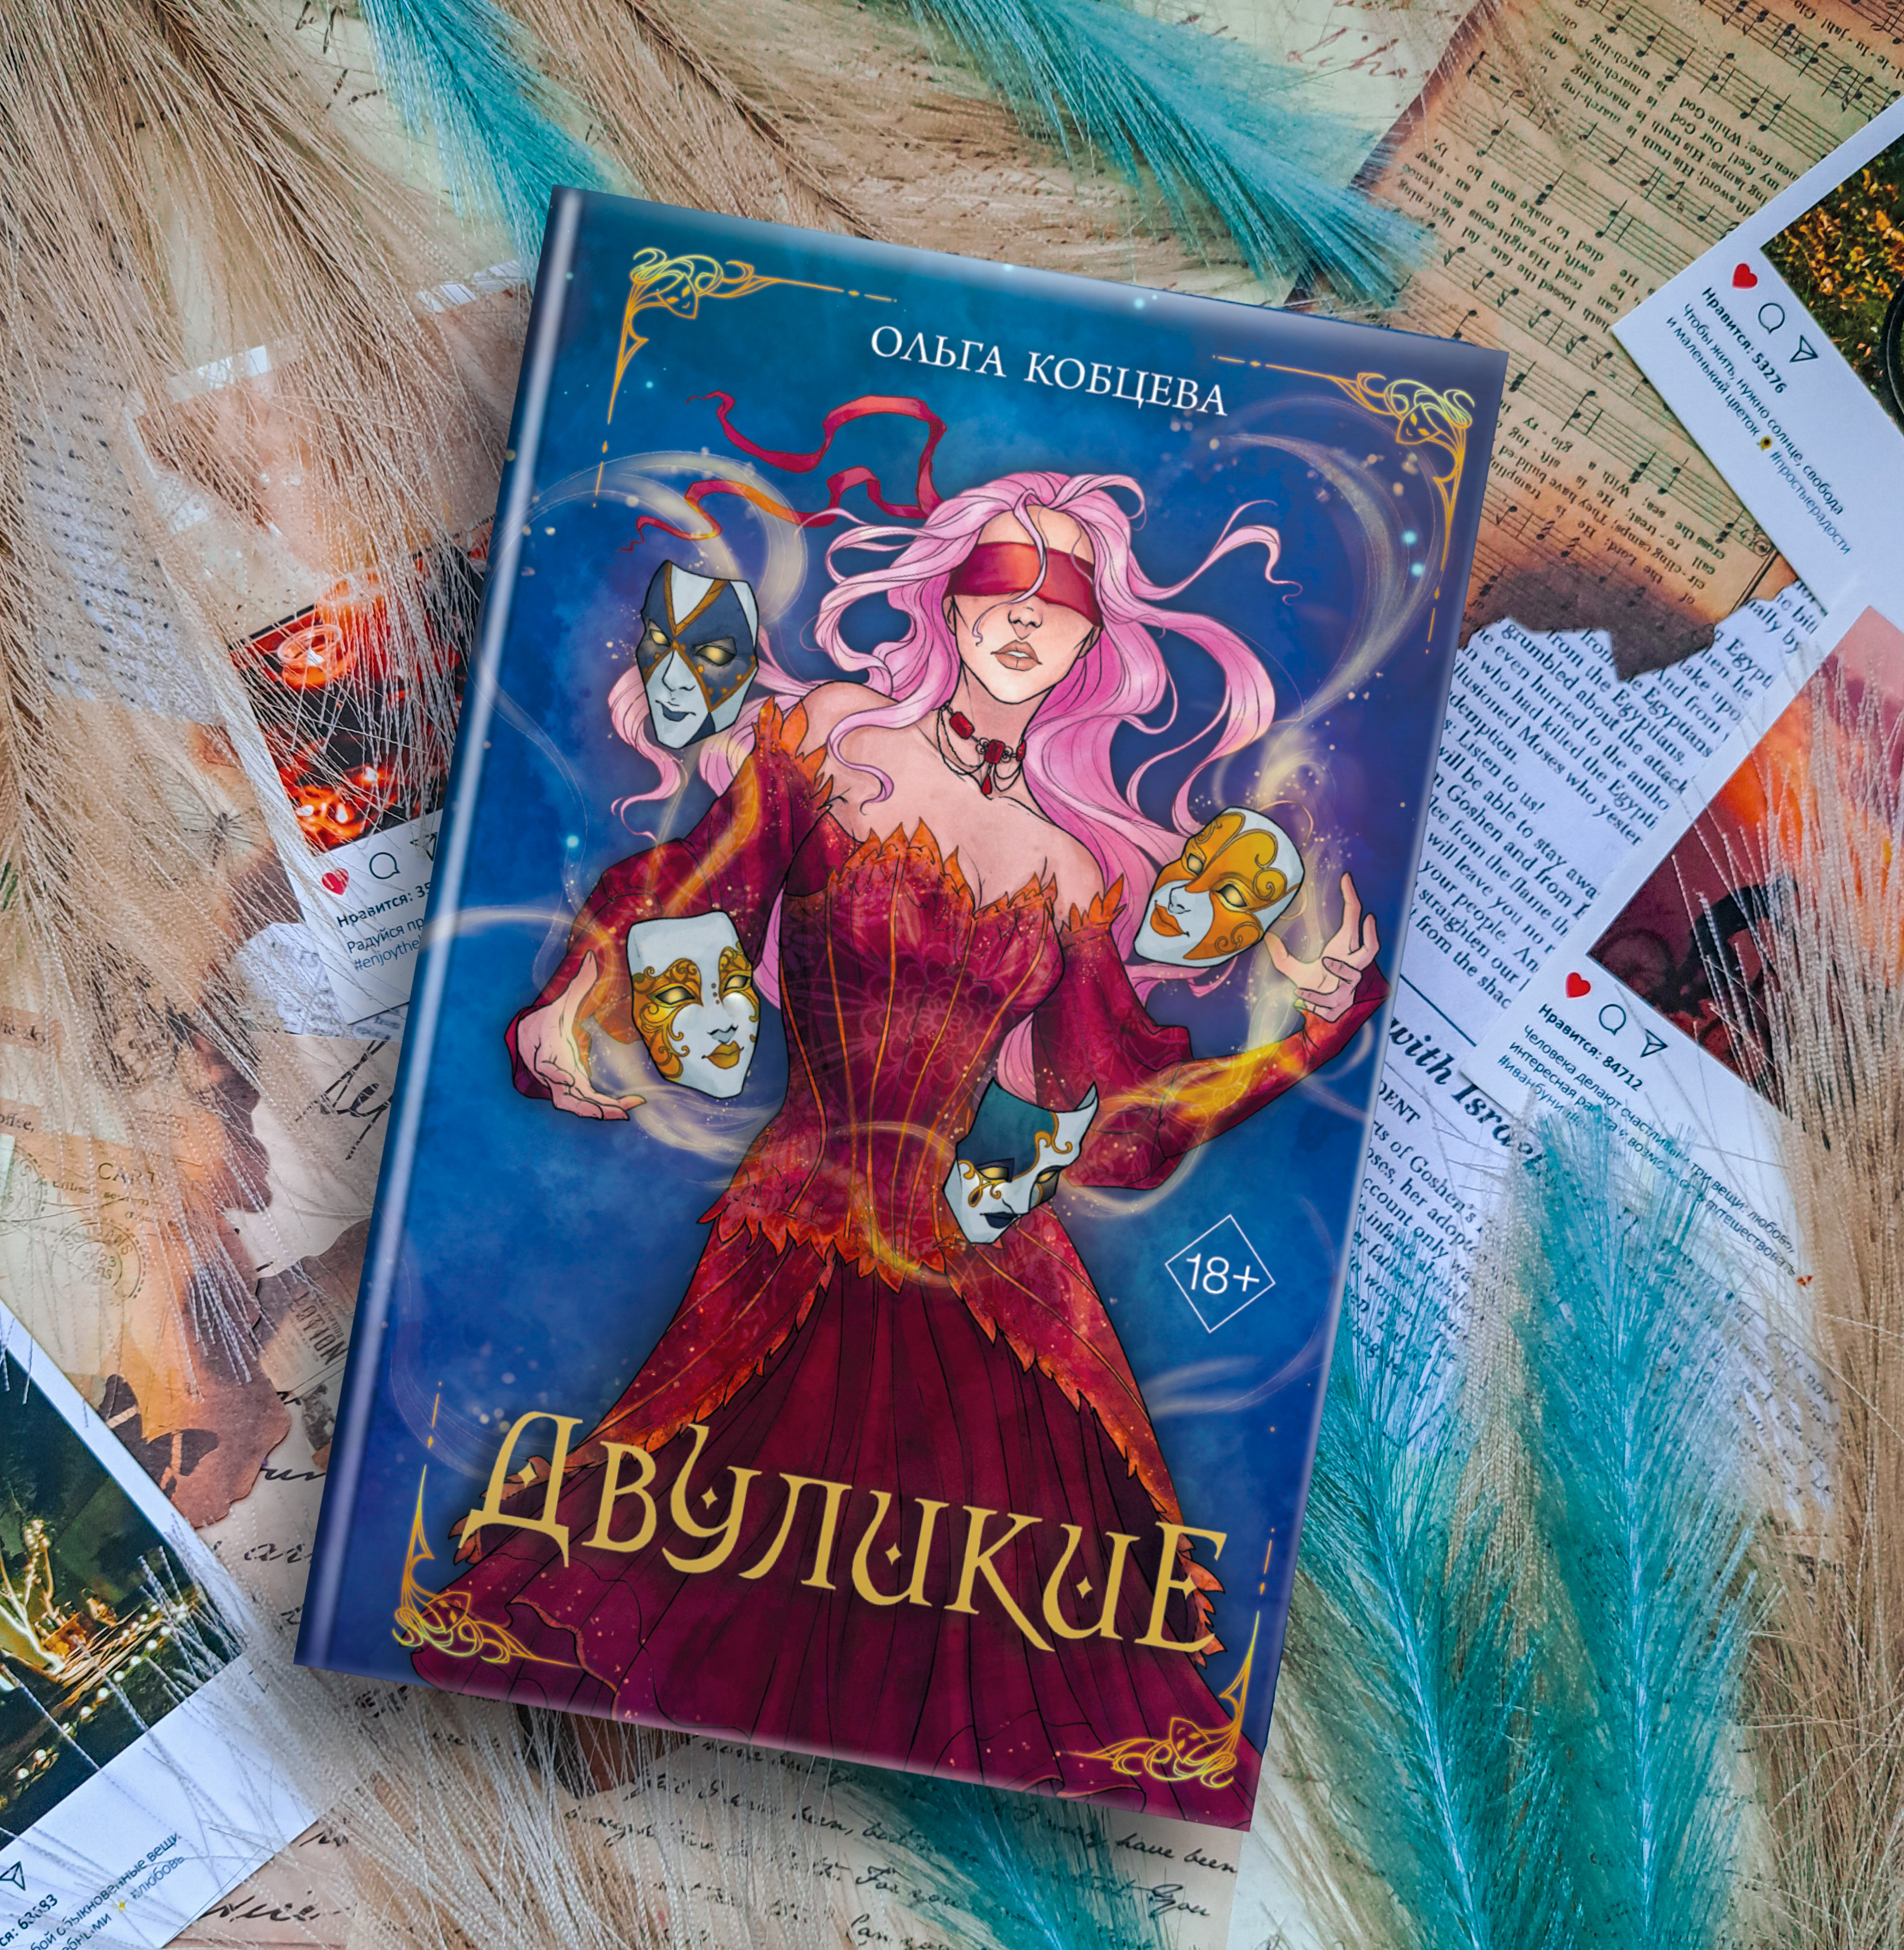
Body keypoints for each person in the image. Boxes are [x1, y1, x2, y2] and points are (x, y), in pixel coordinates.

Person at [413, 459, 1387, 1825]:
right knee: (696, 1574)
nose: (1025, 613)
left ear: (1090, 640)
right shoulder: (832, 739)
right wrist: (574, 992)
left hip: (992, 1280)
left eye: (1059, 597)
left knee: (990, 1653)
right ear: (950, 601)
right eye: (999, 583)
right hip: (803, 1214)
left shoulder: (1076, 871)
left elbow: (1111, 1129)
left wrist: (1309, 1030)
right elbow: (693, 887)